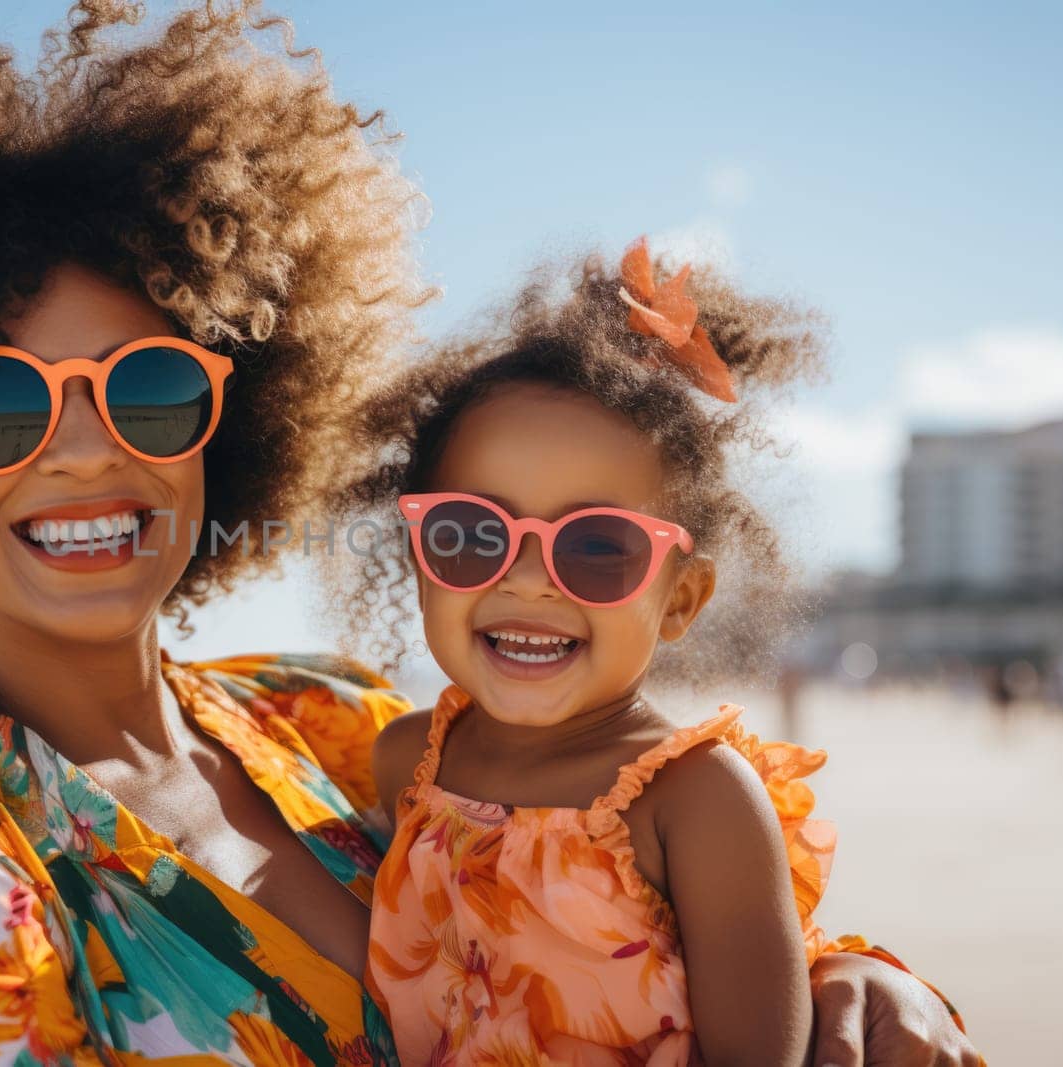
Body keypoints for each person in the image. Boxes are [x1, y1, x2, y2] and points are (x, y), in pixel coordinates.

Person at [0, 2, 976, 1063]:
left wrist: (862, 978)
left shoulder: (337, 723)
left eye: (151, 386)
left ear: (225, 426)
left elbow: (624, 925)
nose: (84, 446)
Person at [335, 239, 979, 1063]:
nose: (529, 580)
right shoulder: (406, 764)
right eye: (472, 535)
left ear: (680, 599)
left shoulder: (697, 799)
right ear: (417, 555)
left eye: (598, 547)